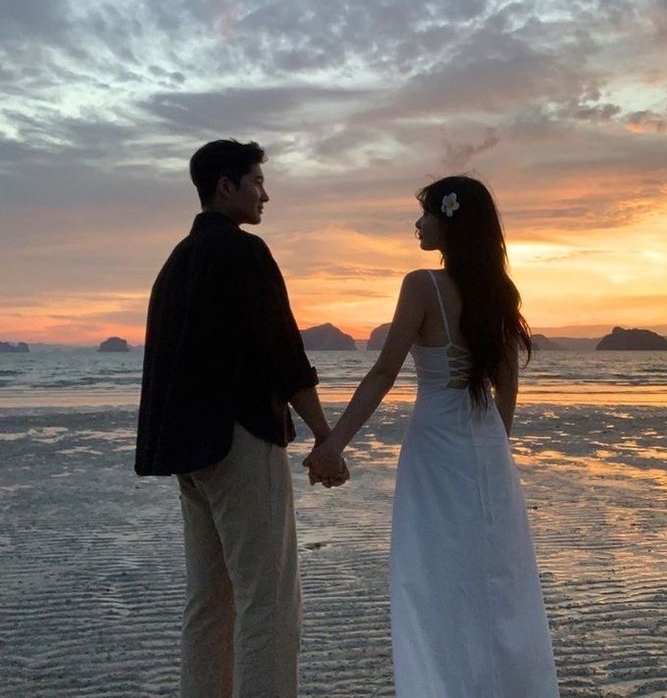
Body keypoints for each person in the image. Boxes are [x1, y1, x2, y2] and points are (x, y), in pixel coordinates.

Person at [305, 175, 559, 697]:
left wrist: (335, 443)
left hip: (435, 442)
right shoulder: (499, 291)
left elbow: (383, 373)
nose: (417, 224)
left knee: (435, 574)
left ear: (451, 221)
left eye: (425, 214)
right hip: (486, 440)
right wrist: (495, 447)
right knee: (498, 577)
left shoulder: (422, 284)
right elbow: (506, 381)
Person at [135, 138, 347, 698]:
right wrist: (325, 435)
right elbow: (283, 352)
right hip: (239, 442)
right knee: (269, 599)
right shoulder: (244, 252)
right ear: (225, 186)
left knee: (210, 600)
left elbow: (162, 367)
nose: (266, 194)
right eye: (256, 181)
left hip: (189, 453)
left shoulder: (175, 263)